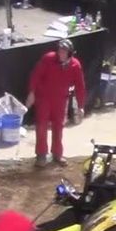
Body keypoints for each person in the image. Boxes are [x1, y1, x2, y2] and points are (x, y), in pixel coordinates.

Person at [27, 39, 87, 167]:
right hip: (44, 98)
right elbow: (35, 75)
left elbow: (80, 86)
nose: (61, 54)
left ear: (70, 53)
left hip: (60, 99)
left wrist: (81, 106)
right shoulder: (48, 59)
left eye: (64, 51)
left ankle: (57, 154)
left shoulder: (75, 65)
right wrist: (32, 92)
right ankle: (41, 155)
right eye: (60, 50)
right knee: (41, 125)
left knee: (58, 126)